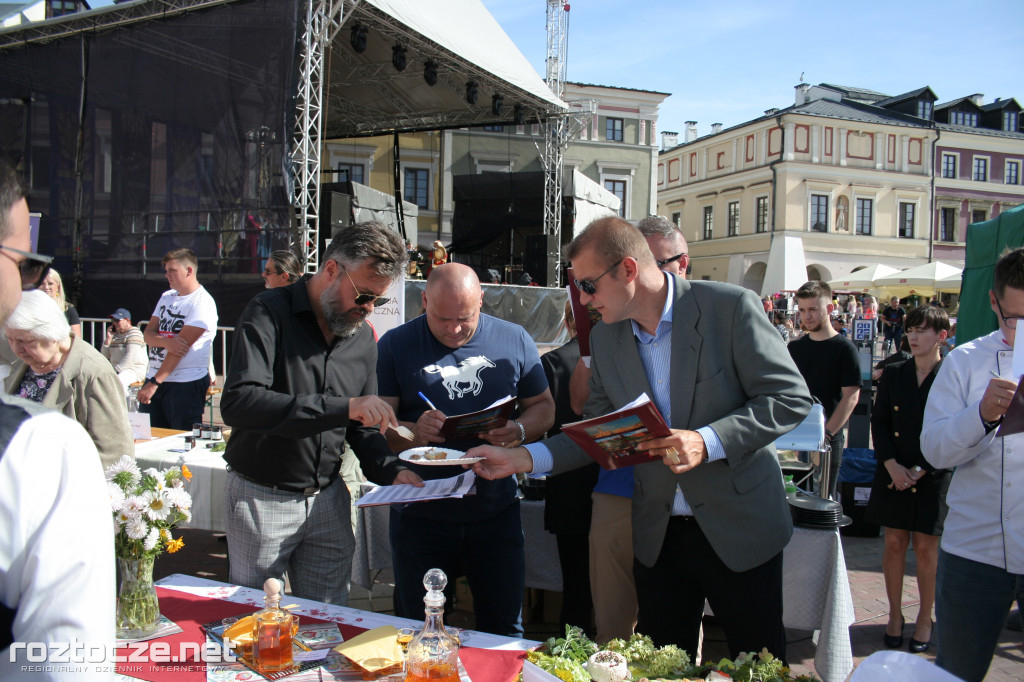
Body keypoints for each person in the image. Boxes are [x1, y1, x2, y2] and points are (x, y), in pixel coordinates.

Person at [469, 217, 811, 661]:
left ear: (629, 270)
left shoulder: (730, 308)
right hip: (658, 533)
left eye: (588, 286)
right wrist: (521, 459)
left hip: (740, 524)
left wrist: (708, 440)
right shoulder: (608, 340)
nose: (583, 301)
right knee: (663, 664)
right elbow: (597, 435)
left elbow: (788, 397)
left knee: (758, 663)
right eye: (577, 289)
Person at [220, 221, 419, 606]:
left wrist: (394, 470)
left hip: (328, 498)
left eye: (376, 301)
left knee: (328, 620)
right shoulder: (268, 312)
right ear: (331, 270)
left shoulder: (362, 338)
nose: (367, 309)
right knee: (255, 619)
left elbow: (361, 430)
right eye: (362, 295)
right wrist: (344, 408)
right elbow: (240, 403)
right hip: (263, 494)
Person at [376, 262, 554, 636]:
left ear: (482, 302)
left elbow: (544, 408)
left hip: (494, 510)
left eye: (466, 318)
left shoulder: (515, 338)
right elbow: (382, 426)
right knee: (415, 625)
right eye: (442, 319)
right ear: (423, 301)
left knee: (503, 627)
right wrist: (413, 430)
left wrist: (518, 429)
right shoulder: (395, 343)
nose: (454, 329)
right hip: (419, 511)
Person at [0, 160, 115, 680]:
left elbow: (114, 450)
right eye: (24, 264)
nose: (22, 351)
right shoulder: (38, 447)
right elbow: (63, 665)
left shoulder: (44, 442)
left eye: (31, 267)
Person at [921, 247, 1024, 682]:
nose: (1022, 332)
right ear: (994, 303)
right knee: (958, 671)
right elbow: (935, 451)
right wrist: (980, 415)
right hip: (975, 550)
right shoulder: (965, 361)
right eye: (1014, 319)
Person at [865, 306, 951, 654]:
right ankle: (895, 616)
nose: (913, 337)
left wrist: (919, 469)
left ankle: (925, 620)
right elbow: (880, 421)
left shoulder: (950, 376)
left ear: (941, 336)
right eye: (910, 330)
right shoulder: (895, 372)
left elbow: (954, 430)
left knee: (927, 550)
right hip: (893, 471)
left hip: (933, 473)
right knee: (895, 543)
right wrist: (892, 466)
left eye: (922, 331)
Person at [4, 290, 134, 469]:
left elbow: (115, 453)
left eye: (24, 341)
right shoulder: (22, 364)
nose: (17, 349)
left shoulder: (93, 372)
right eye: (10, 339)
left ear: (52, 335)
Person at [541, 300, 598, 635]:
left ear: (566, 321)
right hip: (608, 478)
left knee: (575, 584)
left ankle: (573, 650)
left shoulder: (552, 361)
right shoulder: (618, 358)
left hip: (567, 483)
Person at [789, 281, 861, 500]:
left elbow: (851, 396)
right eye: (802, 310)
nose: (806, 316)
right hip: (795, 437)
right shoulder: (795, 347)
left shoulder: (844, 348)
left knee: (822, 501)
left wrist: (826, 435)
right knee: (792, 497)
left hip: (827, 437)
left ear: (829, 309)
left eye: (812, 309)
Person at [137, 248, 218, 430]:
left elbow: (180, 349)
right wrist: (165, 341)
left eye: (172, 270)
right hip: (155, 378)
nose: (167, 275)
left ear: (189, 271)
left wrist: (155, 382)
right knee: (149, 437)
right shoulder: (166, 297)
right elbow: (148, 333)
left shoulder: (203, 302)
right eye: (166, 271)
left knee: (181, 440)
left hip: (185, 384)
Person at [101, 307, 148, 391]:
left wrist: (116, 371)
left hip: (134, 370)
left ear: (127, 320)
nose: (114, 323)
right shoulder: (114, 335)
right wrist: (108, 339)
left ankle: (123, 404)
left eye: (117, 320)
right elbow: (103, 356)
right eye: (113, 321)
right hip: (115, 369)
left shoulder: (135, 333)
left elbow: (131, 357)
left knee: (118, 382)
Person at [36, 268, 81, 338]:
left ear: (58, 286)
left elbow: (77, 340)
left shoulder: (68, 309)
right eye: (42, 283)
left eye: (50, 283)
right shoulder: (31, 309)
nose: (46, 287)